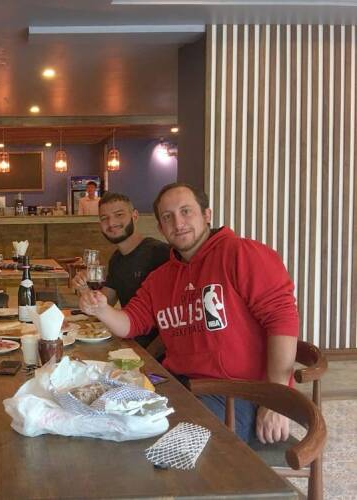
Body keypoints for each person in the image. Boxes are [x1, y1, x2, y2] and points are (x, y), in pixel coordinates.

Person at [79, 183, 299, 445]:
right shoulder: (161, 278)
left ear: (207, 214)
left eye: (186, 211)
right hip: (180, 386)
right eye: (168, 217)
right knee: (103, 412)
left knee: (154, 441)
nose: (178, 223)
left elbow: (282, 320)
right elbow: (131, 322)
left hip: (239, 394)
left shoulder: (242, 254)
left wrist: (276, 399)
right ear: (161, 227)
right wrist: (102, 309)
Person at [72, 192, 169, 348]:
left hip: (152, 351)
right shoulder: (116, 258)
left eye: (119, 215)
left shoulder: (159, 253)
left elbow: (174, 322)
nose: (111, 223)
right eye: (104, 218)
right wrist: (84, 289)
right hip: (127, 340)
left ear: (135, 216)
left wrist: (148, 356)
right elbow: (105, 302)